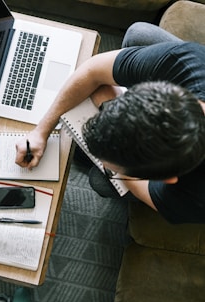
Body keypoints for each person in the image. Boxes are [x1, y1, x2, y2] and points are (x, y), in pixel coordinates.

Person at [15, 22, 205, 224]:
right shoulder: (187, 63)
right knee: (139, 34)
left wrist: (105, 101)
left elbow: (146, 191)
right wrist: (41, 131)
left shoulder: (195, 200)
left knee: (100, 181)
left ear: (167, 179)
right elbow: (93, 70)